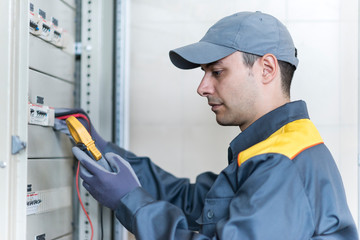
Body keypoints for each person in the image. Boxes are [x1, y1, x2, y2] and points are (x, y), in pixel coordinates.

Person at [66, 11, 358, 239]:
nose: (203, 87)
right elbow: (192, 201)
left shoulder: (282, 164)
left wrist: (130, 201)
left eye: (217, 72)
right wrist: (102, 150)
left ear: (266, 69)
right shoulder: (274, 148)